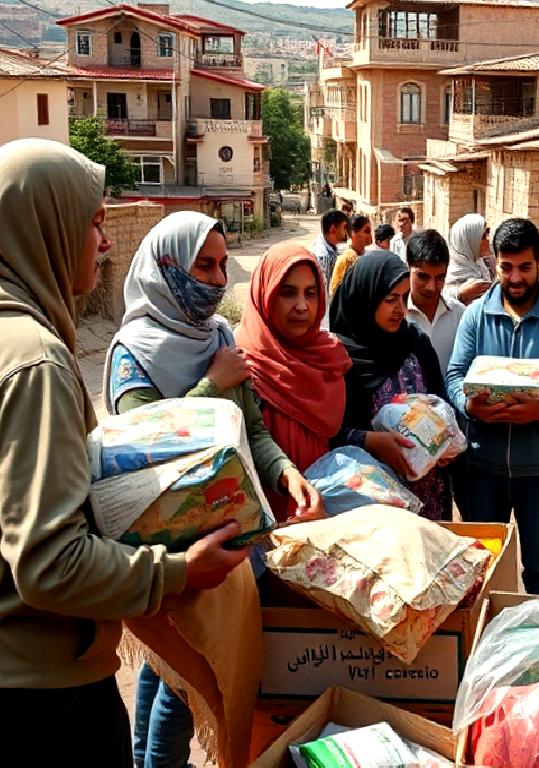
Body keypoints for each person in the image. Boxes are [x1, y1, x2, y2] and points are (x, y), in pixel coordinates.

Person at [0, 139, 244, 765]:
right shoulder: (36, 362)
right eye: (94, 223)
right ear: (45, 229)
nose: (106, 245)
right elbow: (49, 563)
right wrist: (179, 572)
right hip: (44, 697)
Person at [105, 211, 323, 768]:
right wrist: (211, 385)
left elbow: (250, 429)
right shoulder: (135, 352)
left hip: (231, 537)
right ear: (166, 266)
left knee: (178, 674)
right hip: (174, 552)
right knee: (191, 679)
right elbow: (142, 454)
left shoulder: (218, 336)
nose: (217, 278)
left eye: (224, 264)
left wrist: (282, 473)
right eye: (204, 265)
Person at [447, 218, 539, 595]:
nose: (516, 277)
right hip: (482, 469)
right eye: (506, 267)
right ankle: (486, 645)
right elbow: (455, 375)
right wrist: (469, 406)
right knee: (484, 567)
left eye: (524, 267)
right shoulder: (476, 315)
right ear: (493, 263)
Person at [330, 251, 451, 520]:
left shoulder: (414, 341)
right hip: (371, 505)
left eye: (405, 298)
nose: (402, 310)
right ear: (366, 298)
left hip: (428, 495)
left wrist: (443, 443)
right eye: (390, 299)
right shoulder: (337, 356)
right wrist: (370, 440)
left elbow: (440, 401)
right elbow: (328, 433)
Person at [235, 243, 351, 521]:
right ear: (265, 294)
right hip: (260, 517)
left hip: (319, 511)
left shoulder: (327, 358)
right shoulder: (241, 361)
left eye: (310, 293)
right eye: (288, 293)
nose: (302, 306)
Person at [405, 229, 466, 372]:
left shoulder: (460, 316)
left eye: (440, 278)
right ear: (408, 268)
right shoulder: (396, 317)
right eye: (423, 277)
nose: (431, 287)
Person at [443, 213, 493, 305]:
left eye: (488, 233)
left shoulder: (482, 264)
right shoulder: (449, 273)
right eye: (482, 236)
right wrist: (459, 294)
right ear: (467, 242)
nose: (487, 239)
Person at [330, 213, 373, 295]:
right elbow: (336, 294)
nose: (370, 236)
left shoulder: (366, 256)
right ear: (353, 233)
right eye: (366, 231)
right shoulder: (347, 260)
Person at [312, 209, 348, 288]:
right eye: (344, 227)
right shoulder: (322, 256)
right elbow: (324, 290)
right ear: (332, 228)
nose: (346, 231)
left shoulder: (330, 246)